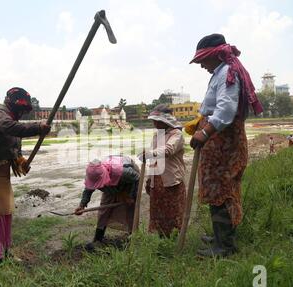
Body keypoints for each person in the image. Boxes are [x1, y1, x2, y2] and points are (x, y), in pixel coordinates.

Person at [189, 34, 263, 257]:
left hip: (223, 142)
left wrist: (204, 132)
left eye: (202, 60)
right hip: (219, 141)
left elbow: (225, 110)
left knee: (222, 189)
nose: (201, 65)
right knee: (217, 188)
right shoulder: (220, 72)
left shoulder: (227, 73)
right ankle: (220, 236)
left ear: (214, 55)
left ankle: (225, 247)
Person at [0, 87, 50, 263]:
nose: (22, 113)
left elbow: (14, 147)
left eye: (24, 110)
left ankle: (5, 251)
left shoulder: (14, 120)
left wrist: (20, 161)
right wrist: (37, 128)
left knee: (5, 208)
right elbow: (7, 127)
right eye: (21, 109)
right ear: (11, 104)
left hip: (1, 164)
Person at [74, 155, 140, 251]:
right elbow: (88, 190)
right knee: (104, 209)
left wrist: (130, 196)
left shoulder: (122, 172)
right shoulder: (92, 175)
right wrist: (82, 205)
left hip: (128, 182)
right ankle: (98, 239)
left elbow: (136, 178)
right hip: (111, 180)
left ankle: (133, 237)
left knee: (129, 209)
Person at [142, 104, 186, 237]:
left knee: (173, 212)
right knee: (158, 213)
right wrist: (149, 179)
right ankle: (162, 240)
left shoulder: (177, 135)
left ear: (165, 121)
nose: (154, 123)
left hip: (171, 180)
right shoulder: (157, 136)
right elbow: (154, 161)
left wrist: (149, 154)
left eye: (157, 121)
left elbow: (168, 150)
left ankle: (175, 240)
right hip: (157, 181)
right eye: (154, 121)